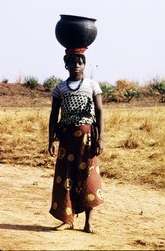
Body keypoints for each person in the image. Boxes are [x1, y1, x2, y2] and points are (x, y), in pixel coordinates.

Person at [48, 49, 104, 233]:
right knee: (65, 177)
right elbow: (54, 115)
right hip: (66, 139)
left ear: (85, 65)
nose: (77, 66)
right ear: (67, 65)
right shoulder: (60, 88)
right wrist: (51, 140)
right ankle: (67, 219)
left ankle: (89, 223)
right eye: (73, 62)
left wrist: (100, 139)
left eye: (80, 62)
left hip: (87, 139)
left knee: (88, 177)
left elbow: (99, 111)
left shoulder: (92, 85)